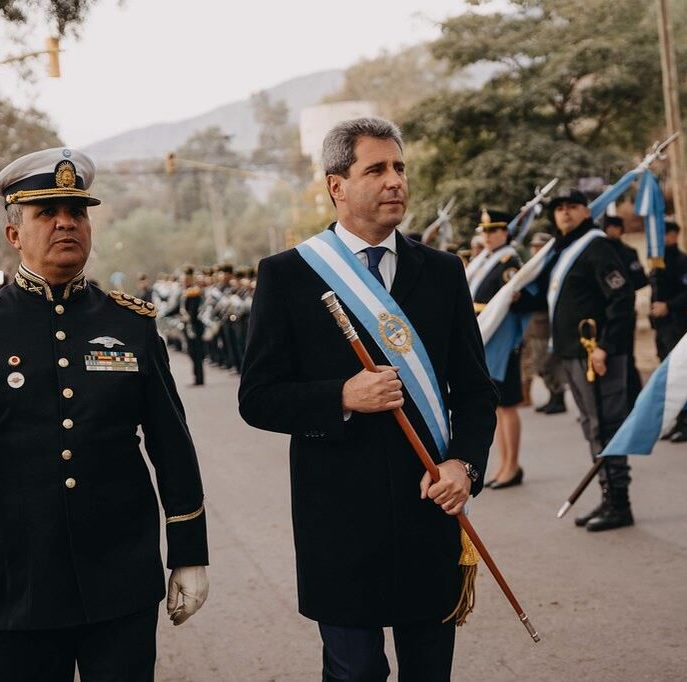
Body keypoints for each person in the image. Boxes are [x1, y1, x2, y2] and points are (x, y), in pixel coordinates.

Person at [0, 147, 210, 681]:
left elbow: (172, 444)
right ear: (14, 234)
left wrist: (189, 550)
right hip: (13, 579)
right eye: (48, 213)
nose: (66, 223)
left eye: (77, 212)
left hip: (120, 577)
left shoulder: (130, 323)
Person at [239, 117, 497, 680]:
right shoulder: (288, 275)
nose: (395, 181)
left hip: (429, 511)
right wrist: (342, 395)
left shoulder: (444, 272)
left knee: (429, 671)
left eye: (400, 167)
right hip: (339, 522)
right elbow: (257, 397)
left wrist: (465, 464)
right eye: (376, 169)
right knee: (355, 673)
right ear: (336, 186)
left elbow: (476, 391)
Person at [514, 188, 636, 531]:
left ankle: (620, 503)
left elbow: (622, 298)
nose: (565, 213)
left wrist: (605, 348)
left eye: (572, 207)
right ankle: (608, 496)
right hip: (570, 353)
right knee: (592, 426)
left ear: (586, 211)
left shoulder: (597, 247)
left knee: (606, 426)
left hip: (595, 354)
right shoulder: (561, 249)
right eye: (559, 209)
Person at [468, 210, 524, 488]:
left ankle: (512, 465)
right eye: (485, 231)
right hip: (485, 335)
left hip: (502, 338)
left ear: (505, 232)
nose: (487, 236)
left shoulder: (508, 261)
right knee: (499, 407)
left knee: (508, 405)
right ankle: (504, 464)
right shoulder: (487, 260)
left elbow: (517, 301)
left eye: (493, 231)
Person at [650, 221, 687, 442]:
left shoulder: (683, 262)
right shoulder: (657, 263)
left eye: (662, 235)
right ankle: (677, 420)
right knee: (668, 378)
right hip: (662, 328)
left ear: (673, 236)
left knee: (681, 376)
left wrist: (668, 306)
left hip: (678, 324)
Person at [601, 215, 647, 406]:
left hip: (624, 311)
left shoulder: (628, 252)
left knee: (626, 357)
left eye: (615, 227)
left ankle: (633, 400)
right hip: (602, 312)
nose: (611, 231)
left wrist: (622, 288)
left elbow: (640, 279)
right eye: (608, 227)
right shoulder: (599, 252)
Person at [525, 232, 566, 415]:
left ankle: (558, 397)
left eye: (539, 246)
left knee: (548, 362)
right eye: (534, 246)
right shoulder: (534, 266)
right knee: (539, 363)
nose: (535, 249)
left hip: (545, 321)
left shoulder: (551, 266)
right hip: (534, 323)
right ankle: (553, 396)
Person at [180, 265, 206, 386]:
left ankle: (199, 378)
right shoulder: (187, 291)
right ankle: (197, 376)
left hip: (194, 326)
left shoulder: (194, 291)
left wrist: (188, 318)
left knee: (196, 352)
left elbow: (193, 311)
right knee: (192, 352)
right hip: (189, 325)